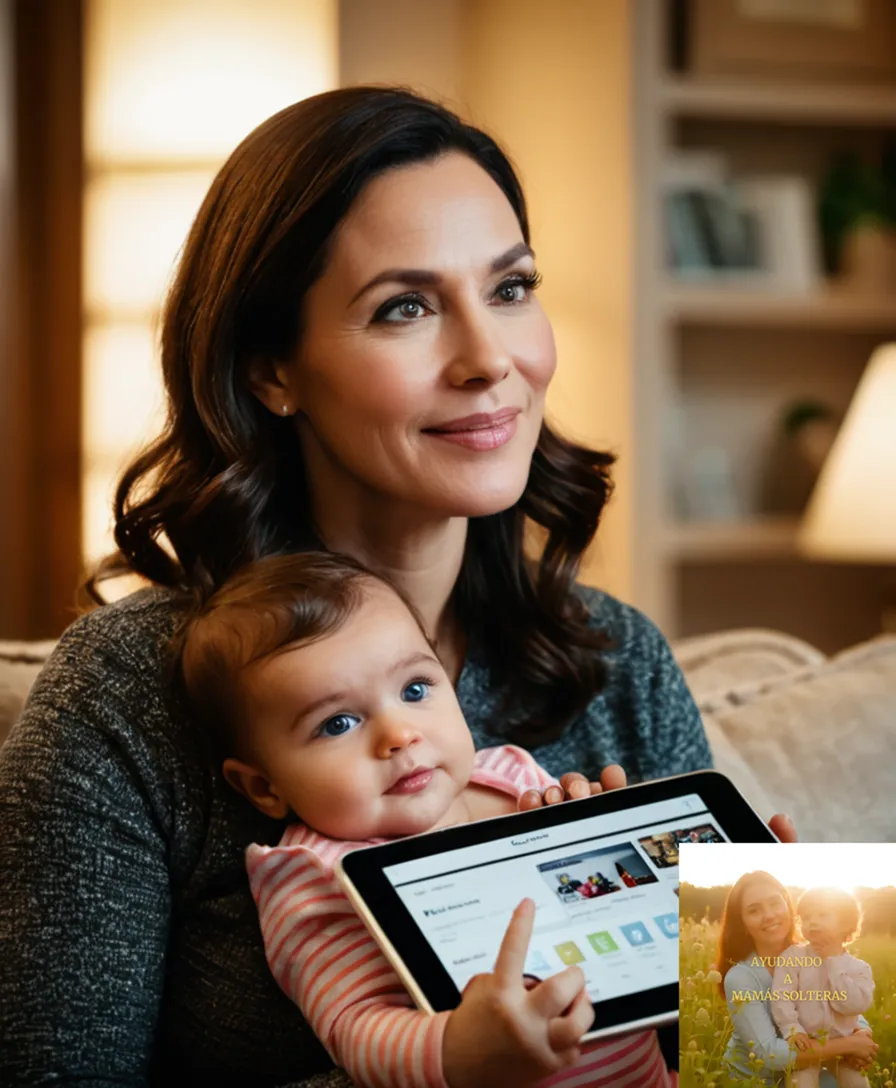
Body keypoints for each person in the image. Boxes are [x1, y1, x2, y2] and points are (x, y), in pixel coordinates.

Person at [0, 86, 794, 1084]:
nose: (488, 358)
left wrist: (768, 968)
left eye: (509, 288)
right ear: (269, 370)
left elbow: (754, 1061)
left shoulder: (614, 656)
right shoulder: (130, 689)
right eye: (404, 307)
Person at [177, 550, 674, 1087]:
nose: (399, 734)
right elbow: (357, 1026)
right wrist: (462, 1051)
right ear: (263, 786)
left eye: (415, 690)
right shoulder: (316, 875)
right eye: (338, 722)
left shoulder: (517, 775)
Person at [717, 872, 878, 1085]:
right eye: (754, 910)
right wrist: (849, 1045)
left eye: (775, 903)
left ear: (788, 905)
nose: (769, 915)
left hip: (810, 1063)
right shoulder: (741, 978)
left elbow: (839, 1002)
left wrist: (863, 1033)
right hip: (757, 1079)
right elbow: (768, 1054)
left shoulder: (816, 953)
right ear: (743, 924)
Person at [770, 887, 874, 1088]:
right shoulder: (792, 958)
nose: (813, 922)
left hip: (844, 1049)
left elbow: (853, 1006)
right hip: (807, 1044)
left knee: (857, 1083)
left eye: (822, 915)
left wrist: (833, 962)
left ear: (846, 924)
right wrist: (793, 1030)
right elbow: (781, 997)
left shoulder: (859, 968)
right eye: (806, 917)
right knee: (800, 1084)